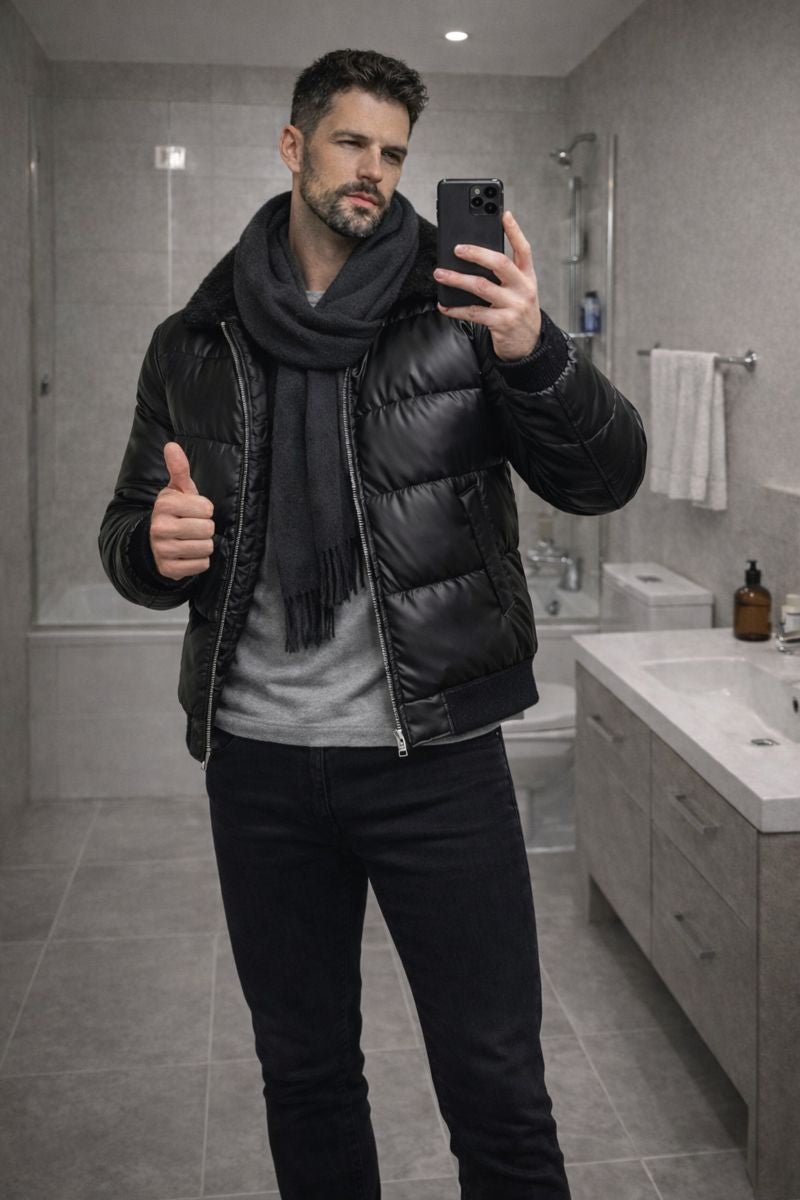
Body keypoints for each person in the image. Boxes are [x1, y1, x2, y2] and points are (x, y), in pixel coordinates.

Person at [99, 47, 646, 1200]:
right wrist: (152, 548)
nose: (372, 172)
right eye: (350, 142)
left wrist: (535, 350)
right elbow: (129, 534)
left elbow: (603, 478)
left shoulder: (460, 314)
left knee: (496, 1087)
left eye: (392, 154)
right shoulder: (193, 342)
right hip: (258, 761)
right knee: (303, 1074)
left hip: (433, 756)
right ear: (293, 146)